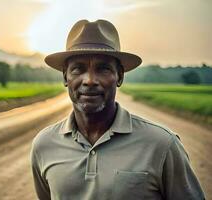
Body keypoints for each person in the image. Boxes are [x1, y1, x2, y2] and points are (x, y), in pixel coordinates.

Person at [30, 19, 205, 200]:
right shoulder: (44, 145)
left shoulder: (162, 145)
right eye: (78, 69)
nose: (89, 80)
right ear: (65, 77)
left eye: (103, 68)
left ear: (119, 76)